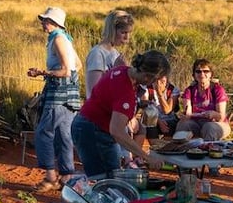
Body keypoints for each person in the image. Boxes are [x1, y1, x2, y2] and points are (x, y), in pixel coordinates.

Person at [70, 50, 172, 180]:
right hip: (94, 131)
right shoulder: (126, 91)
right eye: (156, 80)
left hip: (87, 125)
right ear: (148, 76)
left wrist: (139, 103)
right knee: (108, 181)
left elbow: (111, 99)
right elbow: (117, 131)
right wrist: (146, 157)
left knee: (107, 176)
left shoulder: (123, 70)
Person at [27, 7, 82, 192]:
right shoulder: (65, 38)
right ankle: (66, 177)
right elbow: (78, 65)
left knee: (44, 133)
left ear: (55, 23)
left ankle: (51, 177)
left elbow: (66, 70)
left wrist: (43, 73)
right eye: (43, 20)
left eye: (46, 20)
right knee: (64, 135)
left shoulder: (58, 39)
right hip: (71, 95)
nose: (43, 23)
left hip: (58, 95)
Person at [84, 10, 133, 100]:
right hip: (97, 110)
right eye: (123, 33)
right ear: (112, 30)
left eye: (129, 33)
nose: (127, 38)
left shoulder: (115, 53)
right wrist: (115, 70)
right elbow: (94, 91)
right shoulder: (97, 54)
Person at [179, 58, 232, 140]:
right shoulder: (189, 90)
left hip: (216, 123)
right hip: (195, 124)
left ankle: (208, 150)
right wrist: (185, 116)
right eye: (198, 71)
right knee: (183, 124)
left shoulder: (218, 90)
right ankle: (181, 149)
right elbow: (188, 113)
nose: (202, 74)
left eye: (206, 71)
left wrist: (213, 114)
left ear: (211, 74)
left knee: (209, 127)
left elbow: (221, 117)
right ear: (194, 75)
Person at [139, 73, 181, 137]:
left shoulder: (172, 89)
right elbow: (145, 108)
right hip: (152, 118)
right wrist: (159, 121)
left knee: (170, 125)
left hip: (168, 119)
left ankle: (167, 143)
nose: (159, 82)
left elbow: (167, 111)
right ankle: (154, 143)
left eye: (162, 80)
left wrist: (159, 94)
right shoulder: (146, 88)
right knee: (149, 122)